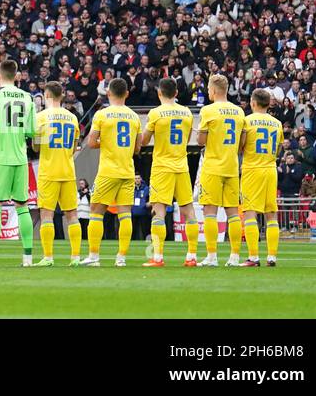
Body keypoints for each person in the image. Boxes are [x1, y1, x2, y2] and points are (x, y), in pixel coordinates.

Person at [0, 59, 36, 268]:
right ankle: (28, 258)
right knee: (23, 207)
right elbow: (31, 132)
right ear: (17, 75)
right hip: (20, 157)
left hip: (0, 157)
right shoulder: (28, 98)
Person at [138, 77, 199, 267]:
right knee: (189, 212)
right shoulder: (187, 113)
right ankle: (192, 256)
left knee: (159, 212)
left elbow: (145, 141)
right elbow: (188, 138)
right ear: (176, 93)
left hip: (162, 167)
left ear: (159, 93)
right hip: (181, 166)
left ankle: (157, 257)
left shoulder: (155, 113)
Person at [83, 77, 141, 267]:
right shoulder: (134, 116)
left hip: (108, 171)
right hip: (127, 171)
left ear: (108, 93)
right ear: (127, 94)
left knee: (96, 212)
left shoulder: (102, 115)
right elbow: (137, 148)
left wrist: (107, 142)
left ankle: (93, 256)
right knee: (125, 214)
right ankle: (121, 258)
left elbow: (91, 143)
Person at [196, 73, 245, 267]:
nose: (208, 92)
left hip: (213, 167)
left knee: (210, 213)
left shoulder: (208, 111)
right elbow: (242, 143)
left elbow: (201, 141)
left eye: (208, 89)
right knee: (233, 214)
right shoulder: (239, 111)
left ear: (214, 90)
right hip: (232, 167)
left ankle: (212, 256)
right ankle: (234, 257)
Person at [34, 81, 82, 266]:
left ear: (46, 96)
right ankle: (76, 257)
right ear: (61, 96)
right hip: (68, 170)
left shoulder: (41, 118)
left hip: (49, 171)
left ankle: (48, 257)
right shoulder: (72, 118)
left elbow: (36, 146)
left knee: (47, 215)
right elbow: (74, 147)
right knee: (72, 215)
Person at [240, 89, 284, 267]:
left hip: (252, 169)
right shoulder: (277, 123)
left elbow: (241, 146)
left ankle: (253, 257)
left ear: (253, 102)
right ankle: (272, 256)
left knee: (250, 213)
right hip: (270, 169)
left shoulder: (247, 121)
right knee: (271, 214)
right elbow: (279, 149)